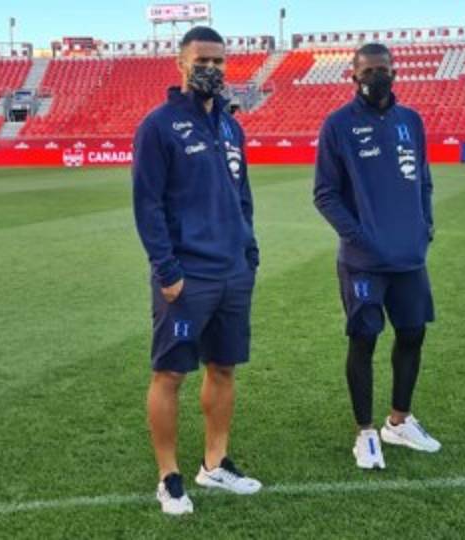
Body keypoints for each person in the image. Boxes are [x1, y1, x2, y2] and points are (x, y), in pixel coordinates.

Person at [132, 26, 262, 515]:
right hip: (186, 276)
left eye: (219, 61)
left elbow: (242, 196)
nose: (212, 68)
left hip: (233, 271)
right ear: (180, 64)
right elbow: (148, 205)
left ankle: (215, 462)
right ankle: (168, 476)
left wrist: (249, 251)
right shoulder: (159, 126)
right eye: (202, 60)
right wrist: (167, 270)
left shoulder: (231, 126)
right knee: (170, 374)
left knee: (223, 368)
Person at [313, 43, 442, 470]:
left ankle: (399, 421)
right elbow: (325, 194)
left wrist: (424, 225)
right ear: (353, 76)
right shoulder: (338, 125)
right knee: (364, 339)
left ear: (394, 71)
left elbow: (423, 179)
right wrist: (359, 237)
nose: (376, 77)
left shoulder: (411, 122)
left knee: (412, 334)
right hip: (363, 261)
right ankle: (366, 432)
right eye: (367, 71)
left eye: (382, 69)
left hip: (408, 256)